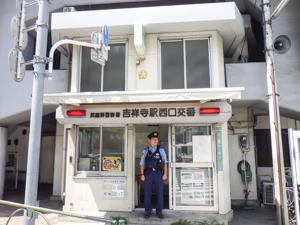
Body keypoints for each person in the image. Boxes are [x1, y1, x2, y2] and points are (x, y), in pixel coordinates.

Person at [139, 131, 168, 219]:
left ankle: (159, 212)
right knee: (147, 193)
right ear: (150, 141)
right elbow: (142, 164)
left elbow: (165, 163)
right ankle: (147, 211)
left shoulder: (161, 150)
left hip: (158, 174)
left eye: (156, 139)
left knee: (160, 193)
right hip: (148, 174)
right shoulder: (145, 151)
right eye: (153, 139)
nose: (155, 141)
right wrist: (142, 174)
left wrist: (165, 174)